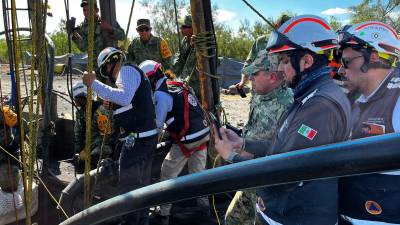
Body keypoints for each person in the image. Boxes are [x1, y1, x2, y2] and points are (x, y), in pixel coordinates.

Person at [215, 15, 352, 225]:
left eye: (285, 61)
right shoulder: (309, 95)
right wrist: (242, 143)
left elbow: (283, 177)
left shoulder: (320, 107)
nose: (279, 69)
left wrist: (231, 157)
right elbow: (282, 148)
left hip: (295, 216)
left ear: (306, 61)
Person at [82, 47, 158, 225]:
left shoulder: (127, 70)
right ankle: (141, 221)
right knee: (143, 186)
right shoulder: (130, 76)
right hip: (145, 138)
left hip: (138, 141)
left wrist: (93, 83)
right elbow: (131, 102)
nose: (108, 75)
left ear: (109, 65)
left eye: (106, 70)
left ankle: (130, 222)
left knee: (128, 187)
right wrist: (114, 106)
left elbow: (124, 97)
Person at [337, 21, 400, 225]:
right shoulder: (355, 99)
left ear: (372, 57)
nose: (340, 69)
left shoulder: (397, 98)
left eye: (346, 62)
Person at [224, 51, 293, 225]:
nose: (250, 78)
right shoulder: (259, 95)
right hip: (250, 177)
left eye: (254, 74)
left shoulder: (289, 105)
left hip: (268, 186)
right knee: (232, 220)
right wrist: (238, 139)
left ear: (272, 76)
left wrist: (243, 148)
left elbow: (285, 149)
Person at [139, 60, 210, 225]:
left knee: (167, 173)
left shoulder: (161, 95)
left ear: (151, 79)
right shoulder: (177, 84)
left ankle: (163, 213)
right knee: (198, 175)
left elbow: (158, 125)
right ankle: (204, 208)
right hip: (203, 134)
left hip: (188, 139)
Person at [71, 0, 125, 82]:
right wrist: (73, 34)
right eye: (84, 10)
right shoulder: (82, 28)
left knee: (114, 88)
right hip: (95, 67)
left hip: (112, 65)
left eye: (89, 10)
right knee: (99, 91)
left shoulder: (108, 19)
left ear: (97, 10)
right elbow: (84, 47)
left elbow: (122, 36)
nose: (86, 13)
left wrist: (109, 28)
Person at [72, 82, 113, 170]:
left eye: (75, 98)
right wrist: (79, 151)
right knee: (78, 165)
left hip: (101, 148)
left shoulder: (100, 112)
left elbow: (106, 136)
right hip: (88, 148)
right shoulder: (80, 113)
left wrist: (89, 153)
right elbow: (78, 133)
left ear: (82, 97)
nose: (74, 101)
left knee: (94, 162)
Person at [171, 14, 202, 99]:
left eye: (184, 26)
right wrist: (170, 76)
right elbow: (179, 60)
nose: (181, 29)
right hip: (186, 85)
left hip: (200, 88)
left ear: (193, 28)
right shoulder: (184, 41)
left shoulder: (201, 43)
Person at [0, 105, 20, 193]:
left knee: (10, 186)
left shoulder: (5, 112)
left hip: (10, 155)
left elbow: (23, 127)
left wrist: (14, 145)